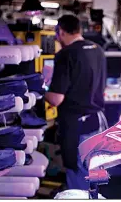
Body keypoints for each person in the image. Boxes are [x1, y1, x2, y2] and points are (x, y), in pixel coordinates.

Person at [45, 15, 108, 190]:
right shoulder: (98, 50)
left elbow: (56, 99)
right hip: (97, 123)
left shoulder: (66, 54)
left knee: (77, 175)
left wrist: (41, 90)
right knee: (93, 174)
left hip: (76, 127)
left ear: (61, 31)